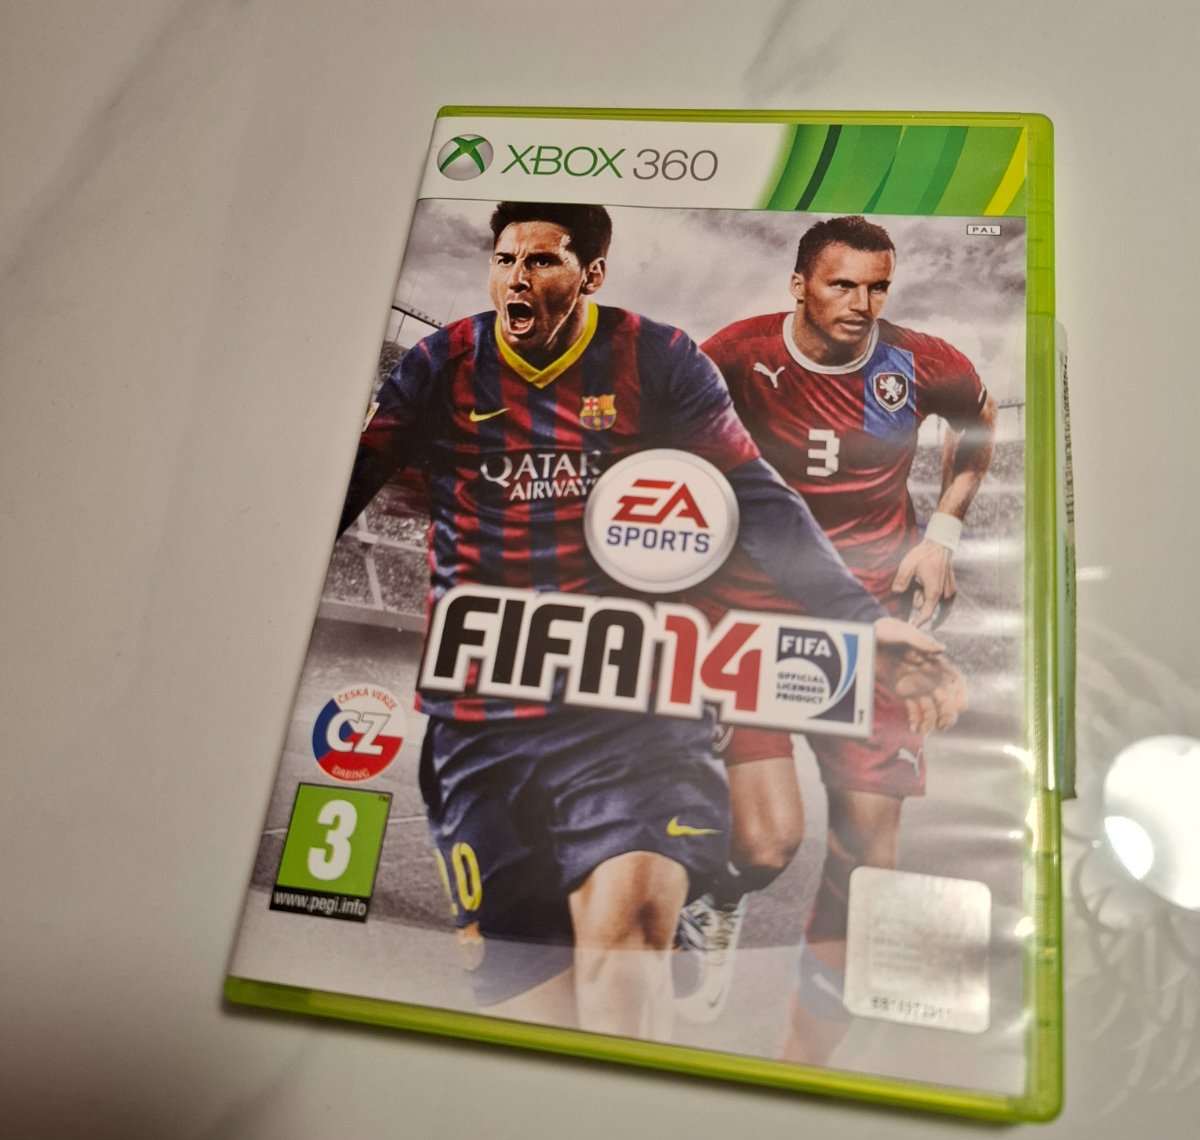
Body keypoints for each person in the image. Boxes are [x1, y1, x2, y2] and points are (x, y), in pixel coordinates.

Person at [339, 202, 959, 1044]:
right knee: (540, 1027)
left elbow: (752, 495)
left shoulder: (655, 357)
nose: (518, 278)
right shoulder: (438, 364)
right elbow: (347, 482)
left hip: (631, 703)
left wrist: (860, 619)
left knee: (630, 933)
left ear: (591, 274)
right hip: (484, 716)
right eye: (506, 260)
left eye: (543, 261)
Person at [699, 214, 995, 1059]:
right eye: (842, 285)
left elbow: (976, 420)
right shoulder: (735, 353)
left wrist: (942, 535)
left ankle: (801, 1071)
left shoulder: (920, 362)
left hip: (875, 623)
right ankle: (719, 892)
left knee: (870, 861)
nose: (863, 303)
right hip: (752, 615)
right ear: (799, 285)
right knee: (766, 845)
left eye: (878, 287)